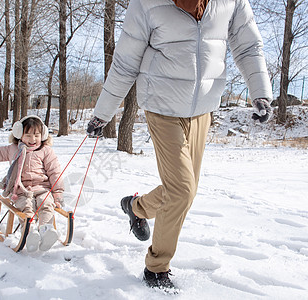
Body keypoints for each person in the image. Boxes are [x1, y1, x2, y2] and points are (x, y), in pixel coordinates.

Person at [86, 0, 273, 291]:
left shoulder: (232, 2)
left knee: (183, 192)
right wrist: (103, 113)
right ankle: (156, 268)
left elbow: (248, 46)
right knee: (182, 190)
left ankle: (137, 208)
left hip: (203, 109)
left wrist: (260, 91)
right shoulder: (146, 4)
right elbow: (126, 62)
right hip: (162, 106)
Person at [0, 115, 64, 252]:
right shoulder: (13, 149)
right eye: (28, 135)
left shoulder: (46, 151)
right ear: (19, 134)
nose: (32, 139)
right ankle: (29, 232)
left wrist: (57, 192)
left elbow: (54, 172)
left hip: (42, 188)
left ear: (43, 135)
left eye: (36, 135)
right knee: (25, 207)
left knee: (46, 205)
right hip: (20, 189)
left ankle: (46, 230)